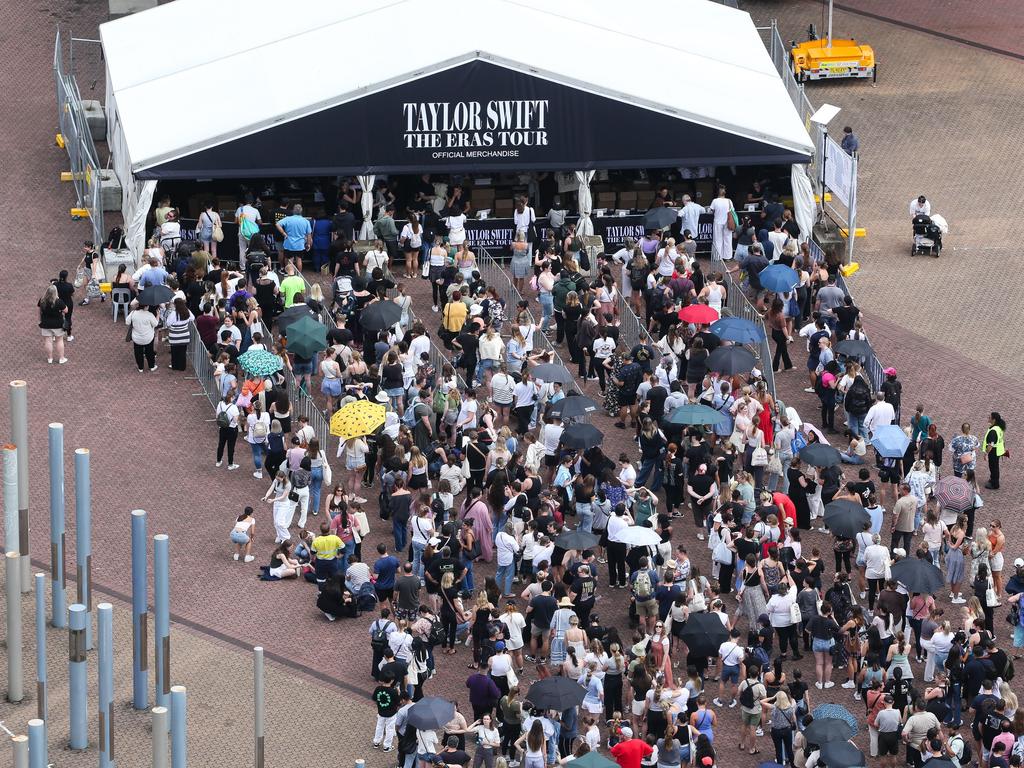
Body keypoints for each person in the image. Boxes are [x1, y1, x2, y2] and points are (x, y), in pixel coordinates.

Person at [38, 284, 69, 364]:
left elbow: (39, 311)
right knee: (59, 340)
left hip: (45, 323)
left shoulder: (42, 300)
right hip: (58, 324)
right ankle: (61, 358)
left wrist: (40, 320)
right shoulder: (58, 301)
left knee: (48, 341)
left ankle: (50, 358)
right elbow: (66, 310)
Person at [275, 203, 312, 271]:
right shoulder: (306, 221)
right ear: (301, 211)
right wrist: (308, 244)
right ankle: (299, 275)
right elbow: (309, 234)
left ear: (293, 211)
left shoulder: (287, 219)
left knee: (289, 260)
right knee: (299, 259)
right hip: (300, 244)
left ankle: (289, 274)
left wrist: (284, 233)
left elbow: (277, 224)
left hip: (289, 243)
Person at [125, 303, 160, 372]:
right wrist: (158, 315)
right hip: (148, 337)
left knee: (138, 352)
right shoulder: (149, 315)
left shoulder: (133, 313)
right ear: (146, 306)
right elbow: (155, 324)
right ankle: (151, 366)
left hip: (137, 337)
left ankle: (140, 367)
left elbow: (127, 322)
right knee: (149, 352)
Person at [983, 412, 1006, 490]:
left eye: (989, 417)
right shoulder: (998, 428)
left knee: (993, 467)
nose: (988, 418)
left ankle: (995, 484)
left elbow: (991, 445)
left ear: (994, 420)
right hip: (998, 451)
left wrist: (986, 453)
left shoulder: (993, 431)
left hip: (994, 452)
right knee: (994, 466)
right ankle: (993, 479)